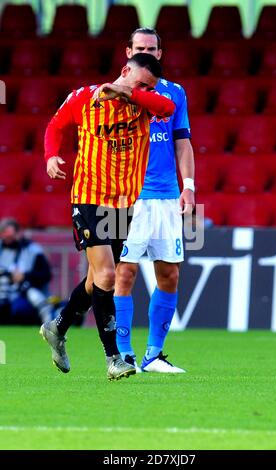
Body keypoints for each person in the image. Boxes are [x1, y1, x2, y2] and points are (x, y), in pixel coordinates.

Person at [40, 53, 175, 381]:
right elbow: (56, 125)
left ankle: (57, 328)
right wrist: (51, 155)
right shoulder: (86, 98)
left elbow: (167, 109)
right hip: (88, 198)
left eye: (149, 86)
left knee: (95, 281)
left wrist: (130, 92)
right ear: (125, 69)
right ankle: (114, 358)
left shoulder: (146, 103)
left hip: (124, 204)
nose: (145, 89)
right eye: (140, 82)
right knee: (108, 275)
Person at [114, 28, 195, 373]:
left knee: (169, 275)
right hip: (125, 194)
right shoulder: (112, 94)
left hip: (165, 197)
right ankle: (123, 354)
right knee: (124, 273)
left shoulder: (175, 93)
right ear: (128, 52)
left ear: (160, 53)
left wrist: (188, 185)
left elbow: (183, 143)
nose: (146, 51)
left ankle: (153, 354)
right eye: (139, 47)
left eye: (152, 48)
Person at [0, 218, 52, 324]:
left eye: (10, 236)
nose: (7, 239)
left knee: (20, 309)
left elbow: (46, 275)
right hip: (3, 293)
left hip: (24, 295)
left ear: (18, 233)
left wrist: (25, 276)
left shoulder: (33, 250)